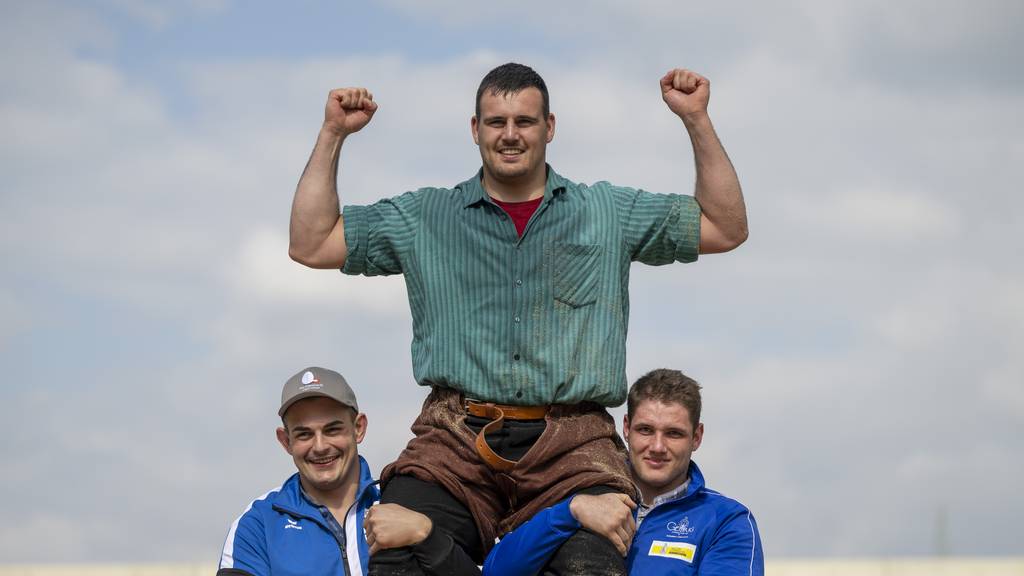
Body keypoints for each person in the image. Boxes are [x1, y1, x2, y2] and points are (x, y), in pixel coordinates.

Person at [289, 62, 749, 574]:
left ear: (549, 127)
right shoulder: (424, 216)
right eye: (496, 122)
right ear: (475, 129)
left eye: (525, 122)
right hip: (454, 440)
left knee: (590, 564)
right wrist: (333, 133)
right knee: (398, 555)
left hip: (573, 446)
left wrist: (697, 120)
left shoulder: (606, 212)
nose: (510, 135)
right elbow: (311, 243)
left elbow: (724, 227)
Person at [483, 369, 764, 575]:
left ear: (697, 437)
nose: (657, 446)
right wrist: (570, 512)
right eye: (645, 430)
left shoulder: (727, 521)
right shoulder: (574, 493)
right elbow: (496, 571)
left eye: (673, 434)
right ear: (626, 428)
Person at [217, 367, 380, 576]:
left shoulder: (398, 501)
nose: (320, 446)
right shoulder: (258, 523)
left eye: (332, 430)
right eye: (304, 434)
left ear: (358, 428)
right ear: (286, 441)